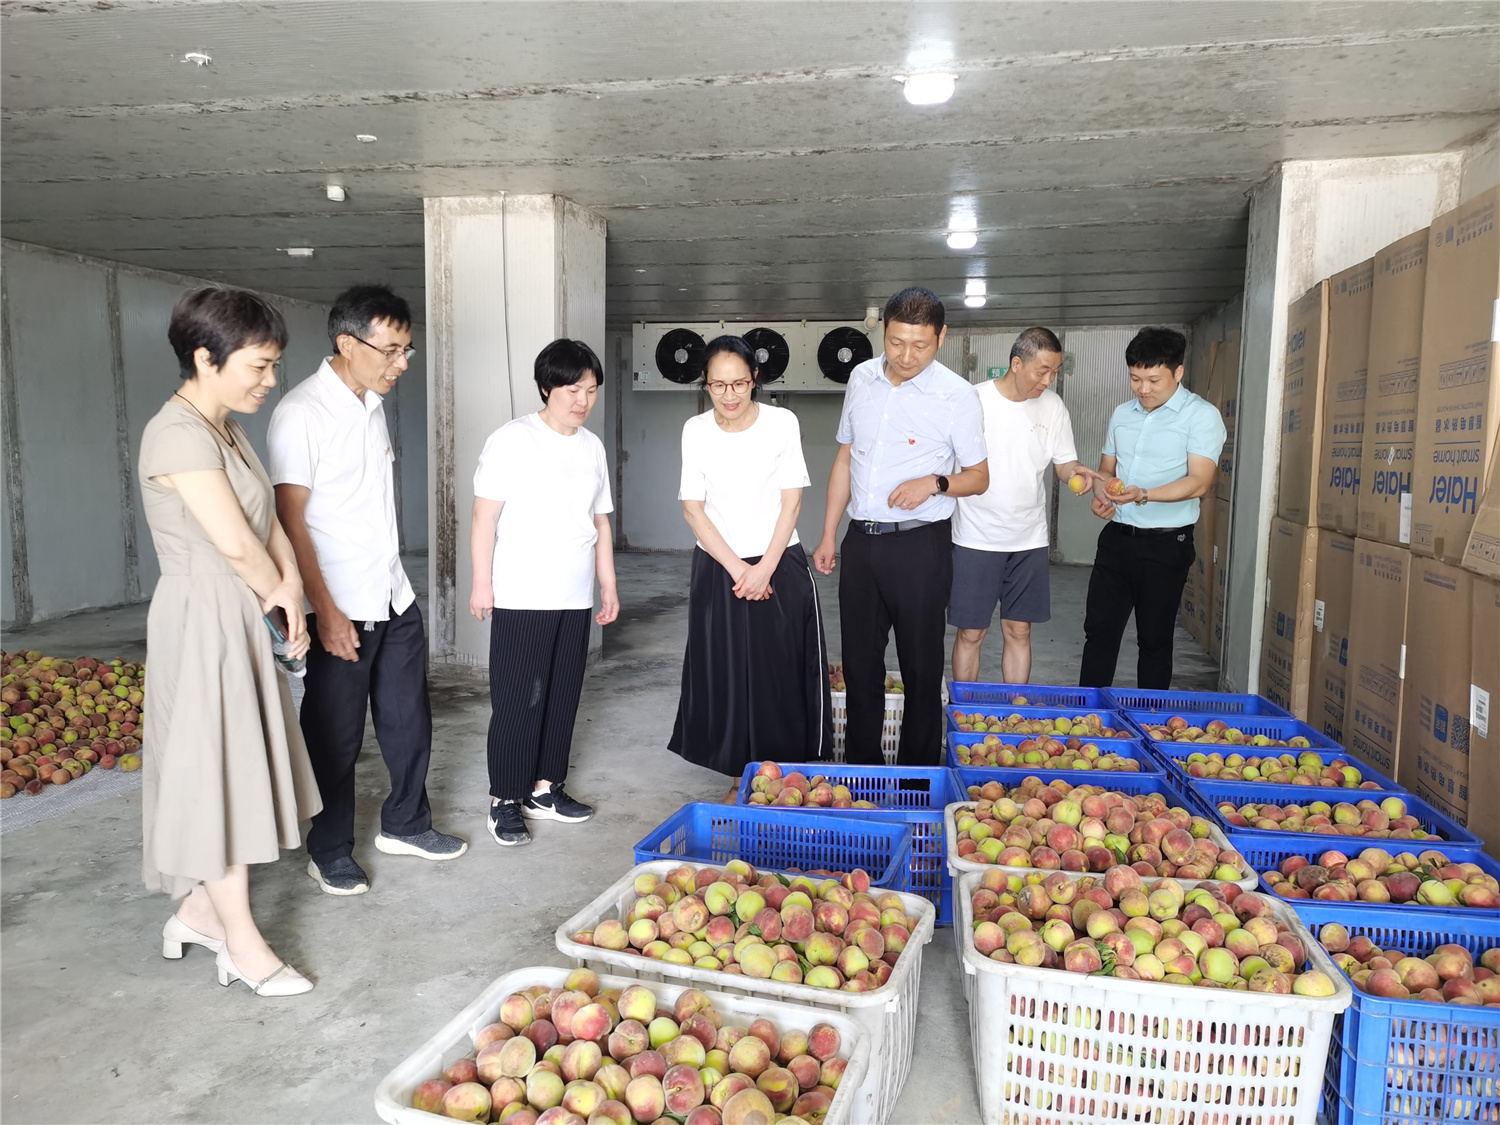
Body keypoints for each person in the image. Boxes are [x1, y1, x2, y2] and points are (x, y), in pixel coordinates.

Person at [138, 286, 321, 997]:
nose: (270, 380)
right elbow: (235, 544)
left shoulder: (227, 429)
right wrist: (278, 594)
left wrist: (292, 590)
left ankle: (197, 913)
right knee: (216, 778)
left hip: (240, 612)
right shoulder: (177, 434)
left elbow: (266, 521)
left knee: (236, 773)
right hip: (202, 618)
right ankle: (241, 944)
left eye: (273, 364)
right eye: (259, 365)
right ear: (205, 358)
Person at [268, 285, 465, 898]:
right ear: (347, 343)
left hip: (392, 594)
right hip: (340, 604)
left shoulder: (371, 405)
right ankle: (328, 850)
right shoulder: (301, 413)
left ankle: (406, 824)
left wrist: (402, 593)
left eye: (407, 350)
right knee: (336, 735)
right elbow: (290, 520)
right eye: (391, 350)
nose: (401, 363)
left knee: (409, 721)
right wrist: (325, 612)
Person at [814, 287, 989, 766]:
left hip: (920, 546)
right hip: (861, 542)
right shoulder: (861, 378)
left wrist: (934, 483)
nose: (906, 356)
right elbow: (846, 458)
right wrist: (829, 533)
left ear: (941, 337)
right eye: (895, 342)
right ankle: (862, 774)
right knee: (859, 666)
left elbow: (979, 477)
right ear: (883, 332)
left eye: (920, 345)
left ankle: (917, 779)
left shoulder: (957, 396)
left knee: (920, 668)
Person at [469, 339, 619, 847]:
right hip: (522, 593)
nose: (582, 400)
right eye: (572, 389)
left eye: (591, 389)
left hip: (574, 595)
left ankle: (546, 789)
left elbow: (599, 521)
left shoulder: (592, 447)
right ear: (546, 388)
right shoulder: (512, 440)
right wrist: (482, 583)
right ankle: (504, 800)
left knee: (562, 694)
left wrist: (607, 582)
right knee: (519, 699)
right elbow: (483, 517)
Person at [668, 336, 833, 796]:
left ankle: (784, 776)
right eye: (718, 385)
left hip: (778, 562)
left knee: (780, 673)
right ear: (705, 384)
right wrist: (740, 569)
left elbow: (792, 502)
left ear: (755, 378)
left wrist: (764, 569)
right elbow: (693, 510)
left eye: (739, 383)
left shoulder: (781, 423)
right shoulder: (696, 430)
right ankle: (743, 778)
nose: (729, 395)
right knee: (726, 674)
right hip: (720, 565)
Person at [950, 327, 1100, 685]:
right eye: (1042, 371)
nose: (1048, 381)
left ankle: (1015, 709)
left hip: (1029, 539)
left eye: (1054, 373)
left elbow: (1064, 463)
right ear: (1016, 364)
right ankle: (963, 708)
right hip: (975, 538)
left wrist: (1076, 472)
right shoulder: (973, 401)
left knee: (1019, 630)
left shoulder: (1053, 406)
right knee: (971, 633)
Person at [1079, 327, 1226, 689]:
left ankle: (1151, 718)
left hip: (1166, 544)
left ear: (1178, 372)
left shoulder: (1201, 416)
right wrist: (1102, 493)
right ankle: (1088, 715)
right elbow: (1107, 470)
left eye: (1154, 380)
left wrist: (1144, 495)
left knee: (1154, 640)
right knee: (1098, 632)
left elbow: (1200, 482)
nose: (1143, 389)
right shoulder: (1121, 414)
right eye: (1135, 378)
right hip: (1116, 539)